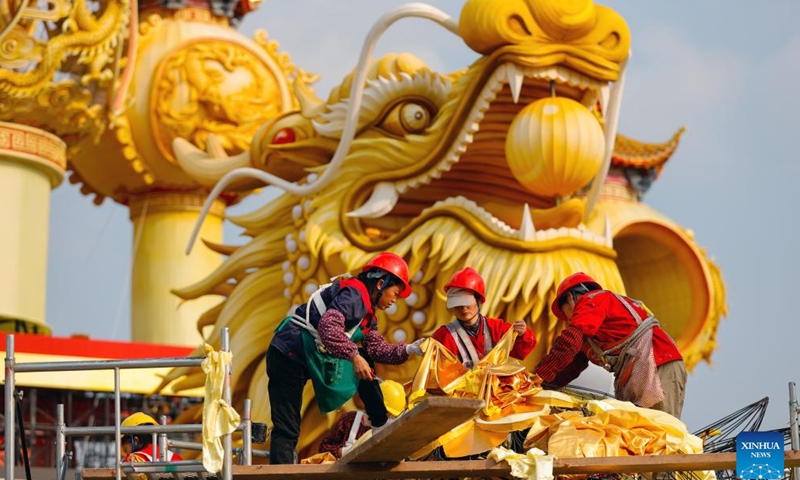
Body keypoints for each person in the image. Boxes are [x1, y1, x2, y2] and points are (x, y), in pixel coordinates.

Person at [266, 252, 425, 465]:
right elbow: (328, 328)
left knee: (366, 358)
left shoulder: (368, 314)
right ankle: (281, 474)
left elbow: (377, 349)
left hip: (308, 355)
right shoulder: (355, 295)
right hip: (287, 353)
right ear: (380, 284)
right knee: (288, 427)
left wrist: (409, 349)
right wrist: (353, 356)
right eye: (395, 293)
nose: (395, 300)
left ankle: (379, 423)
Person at [535, 272, 687, 418]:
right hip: (641, 369)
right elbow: (572, 363)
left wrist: (538, 378)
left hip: (658, 362)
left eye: (565, 312)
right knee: (639, 434)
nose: (568, 320)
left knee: (660, 431)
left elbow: (568, 343)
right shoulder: (593, 332)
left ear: (570, 298)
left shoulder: (593, 300)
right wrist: (545, 386)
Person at [432, 267, 537, 368]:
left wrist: (522, 334)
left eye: (467, 302)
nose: (463, 308)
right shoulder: (443, 335)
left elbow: (520, 352)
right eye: (458, 304)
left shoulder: (497, 328)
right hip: (460, 386)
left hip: (494, 385)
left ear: (478, 301)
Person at [318, 379, 407, 458]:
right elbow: (324, 447)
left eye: (393, 415)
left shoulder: (394, 429)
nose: (390, 417)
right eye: (388, 413)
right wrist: (343, 452)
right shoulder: (350, 420)